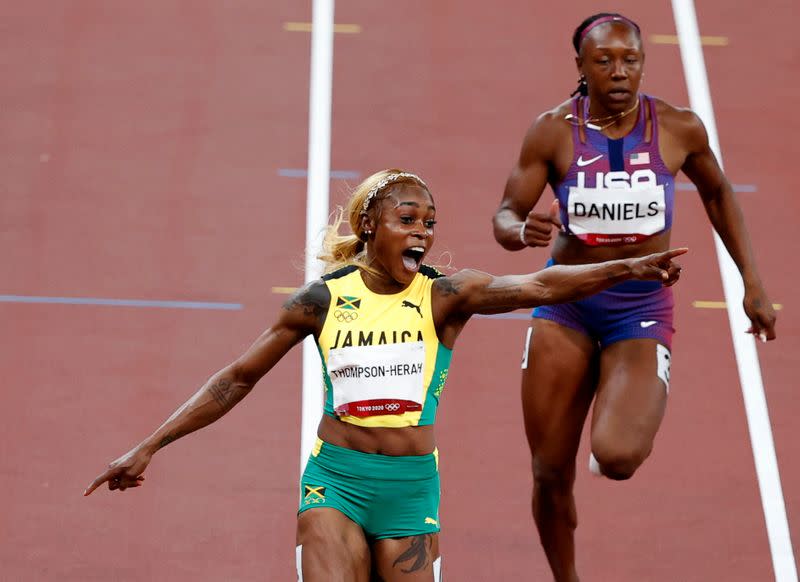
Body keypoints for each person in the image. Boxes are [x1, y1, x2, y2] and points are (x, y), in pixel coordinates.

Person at [85, 168, 686, 582]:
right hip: (336, 483)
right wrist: (150, 445)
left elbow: (540, 284)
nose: (423, 232)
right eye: (408, 219)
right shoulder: (320, 301)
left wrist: (626, 266)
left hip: (410, 491)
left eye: (430, 222)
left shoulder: (448, 296)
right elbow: (235, 379)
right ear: (370, 226)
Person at [492, 13, 777, 582]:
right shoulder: (551, 131)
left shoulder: (678, 127)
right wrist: (522, 230)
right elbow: (505, 215)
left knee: (618, 458)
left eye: (631, 59)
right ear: (581, 66)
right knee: (550, 473)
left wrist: (752, 281)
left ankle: (615, 410)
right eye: (604, 61)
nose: (620, 71)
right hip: (565, 301)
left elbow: (719, 194)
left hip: (639, 307)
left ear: (644, 61)